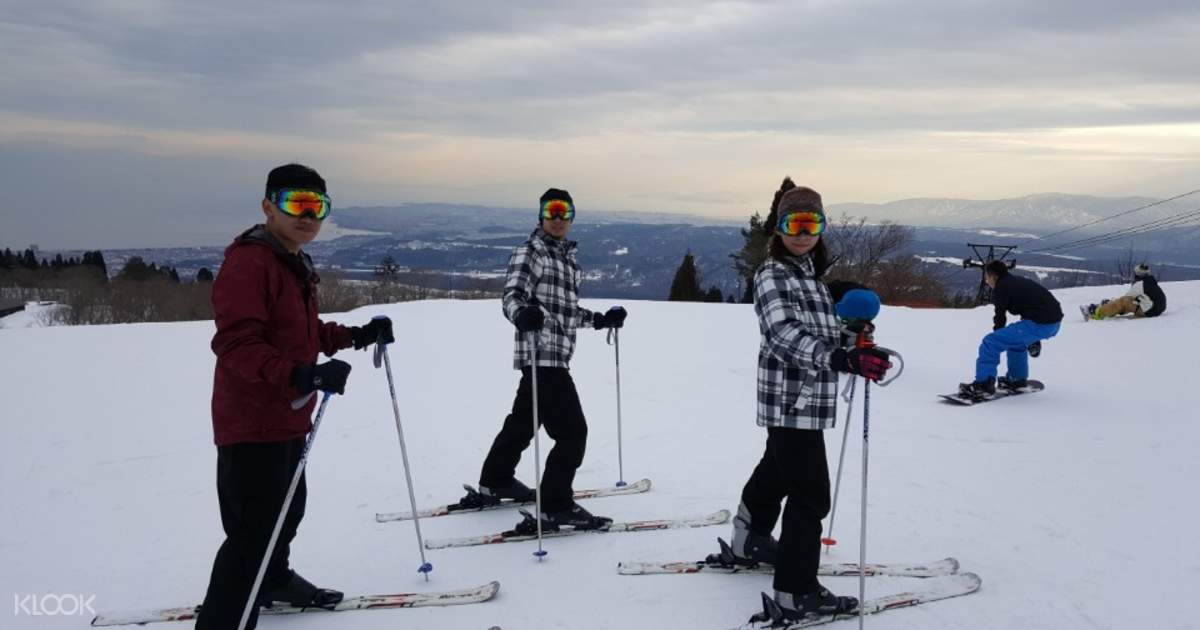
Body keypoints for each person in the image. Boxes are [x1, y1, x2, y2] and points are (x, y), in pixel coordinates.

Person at [196, 164, 394, 630]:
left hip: (287, 415)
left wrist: (357, 334)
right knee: (252, 535)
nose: (309, 216)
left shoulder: (290, 260)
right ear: (269, 206)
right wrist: (301, 375)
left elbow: (300, 333)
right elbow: (236, 342)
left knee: (287, 512)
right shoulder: (250, 263)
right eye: (296, 204)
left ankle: (275, 580)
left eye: (318, 206)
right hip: (252, 419)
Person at [730, 182, 893, 623]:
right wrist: (839, 357)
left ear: (821, 228)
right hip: (790, 398)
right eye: (793, 223)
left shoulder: (809, 276)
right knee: (811, 497)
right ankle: (795, 592)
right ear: (779, 227)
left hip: (803, 400)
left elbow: (819, 334)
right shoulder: (773, 274)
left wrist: (856, 346)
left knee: (776, 472)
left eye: (812, 223)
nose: (803, 232)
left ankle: (749, 538)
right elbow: (782, 334)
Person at [462, 188, 627, 532]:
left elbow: (565, 312)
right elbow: (512, 295)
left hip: (556, 355)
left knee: (523, 421)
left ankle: (496, 479)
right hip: (541, 354)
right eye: (551, 211)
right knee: (573, 433)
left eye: (563, 212)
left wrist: (599, 320)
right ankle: (555, 505)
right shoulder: (531, 252)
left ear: (571, 216)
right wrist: (521, 314)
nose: (557, 219)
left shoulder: (567, 260)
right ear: (540, 216)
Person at [958, 260, 1062, 398]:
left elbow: (1000, 317)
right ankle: (1016, 380)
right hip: (1052, 323)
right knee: (1016, 343)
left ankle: (983, 385)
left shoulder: (1002, 287)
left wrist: (997, 339)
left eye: (987, 277)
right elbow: (1032, 306)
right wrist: (1032, 339)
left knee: (990, 342)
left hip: (1040, 323)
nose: (986, 280)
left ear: (994, 276)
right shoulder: (1015, 282)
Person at [1081, 263, 1167, 320]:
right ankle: (1108, 308)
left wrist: (1114, 302)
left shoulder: (1141, 284)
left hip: (1150, 311)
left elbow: (1127, 298)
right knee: (1127, 302)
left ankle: (1097, 313)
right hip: (1156, 309)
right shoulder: (1151, 282)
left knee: (1123, 301)